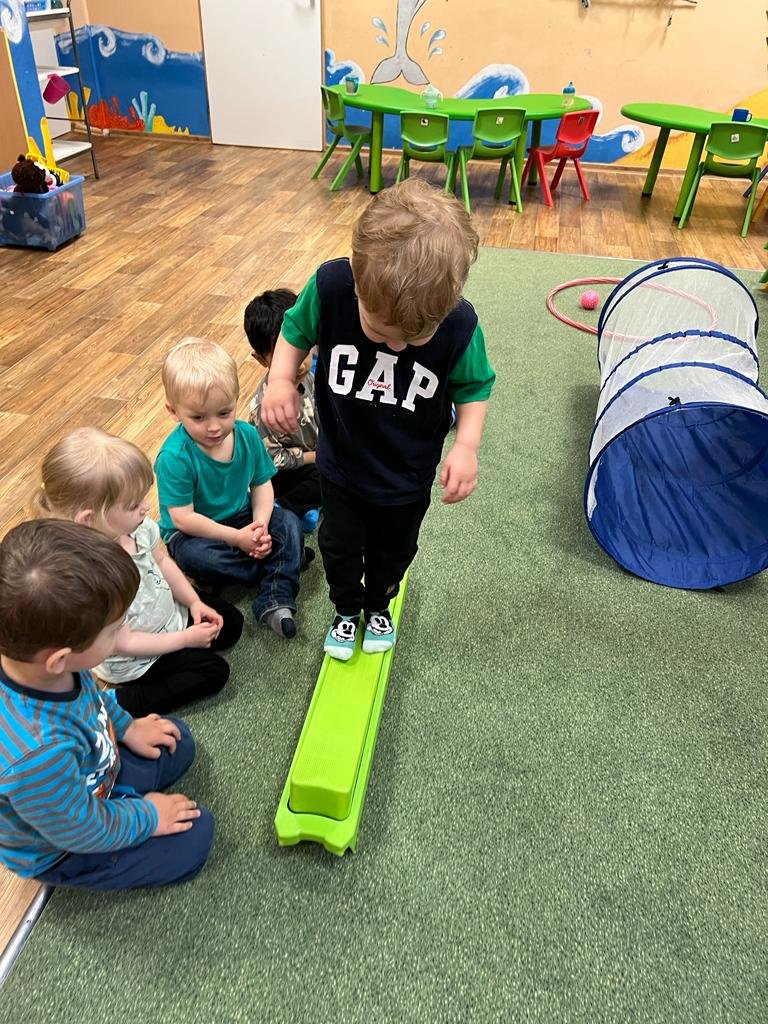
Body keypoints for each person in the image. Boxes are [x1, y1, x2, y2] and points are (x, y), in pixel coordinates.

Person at [261, 178, 496, 661]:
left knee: (394, 553)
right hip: (342, 464)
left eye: (414, 337)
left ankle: (378, 604)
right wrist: (281, 378)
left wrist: (466, 445)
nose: (395, 345)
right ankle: (347, 609)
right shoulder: (331, 286)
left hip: (407, 476)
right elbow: (295, 329)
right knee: (339, 547)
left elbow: (474, 386)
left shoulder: (458, 324)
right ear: (356, 275)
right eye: (381, 329)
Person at [0, 519, 214, 890]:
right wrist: (148, 817)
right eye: (115, 631)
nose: (123, 634)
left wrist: (128, 727)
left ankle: (122, 795)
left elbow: (92, 697)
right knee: (197, 835)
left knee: (177, 740)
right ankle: (116, 824)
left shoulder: (46, 664)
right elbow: (82, 828)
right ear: (60, 659)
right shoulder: (36, 756)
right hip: (66, 845)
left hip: (89, 775)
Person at [33, 427, 244, 716]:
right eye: (134, 505)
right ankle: (121, 702)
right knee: (214, 672)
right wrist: (185, 639)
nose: (147, 507)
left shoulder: (137, 527)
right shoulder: (92, 579)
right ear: (89, 519)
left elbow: (163, 563)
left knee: (232, 624)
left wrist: (194, 602)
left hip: (169, 616)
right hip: (137, 658)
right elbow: (125, 642)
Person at [156, 337, 303, 639]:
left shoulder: (246, 435)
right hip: (194, 534)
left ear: (236, 399)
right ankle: (279, 563)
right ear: (173, 411)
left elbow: (262, 485)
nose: (214, 427)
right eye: (198, 417)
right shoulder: (174, 457)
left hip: (241, 517)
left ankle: (275, 597)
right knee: (199, 558)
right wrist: (237, 539)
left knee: (288, 522)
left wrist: (260, 525)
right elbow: (183, 519)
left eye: (224, 413)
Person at [244, 288, 322, 532]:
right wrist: (314, 457)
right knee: (325, 474)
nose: (297, 363)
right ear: (261, 359)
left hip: (314, 459)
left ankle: (310, 505)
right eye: (280, 355)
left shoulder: (314, 379)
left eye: (301, 351)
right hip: (282, 473)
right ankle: (284, 509)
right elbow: (271, 458)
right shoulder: (261, 406)